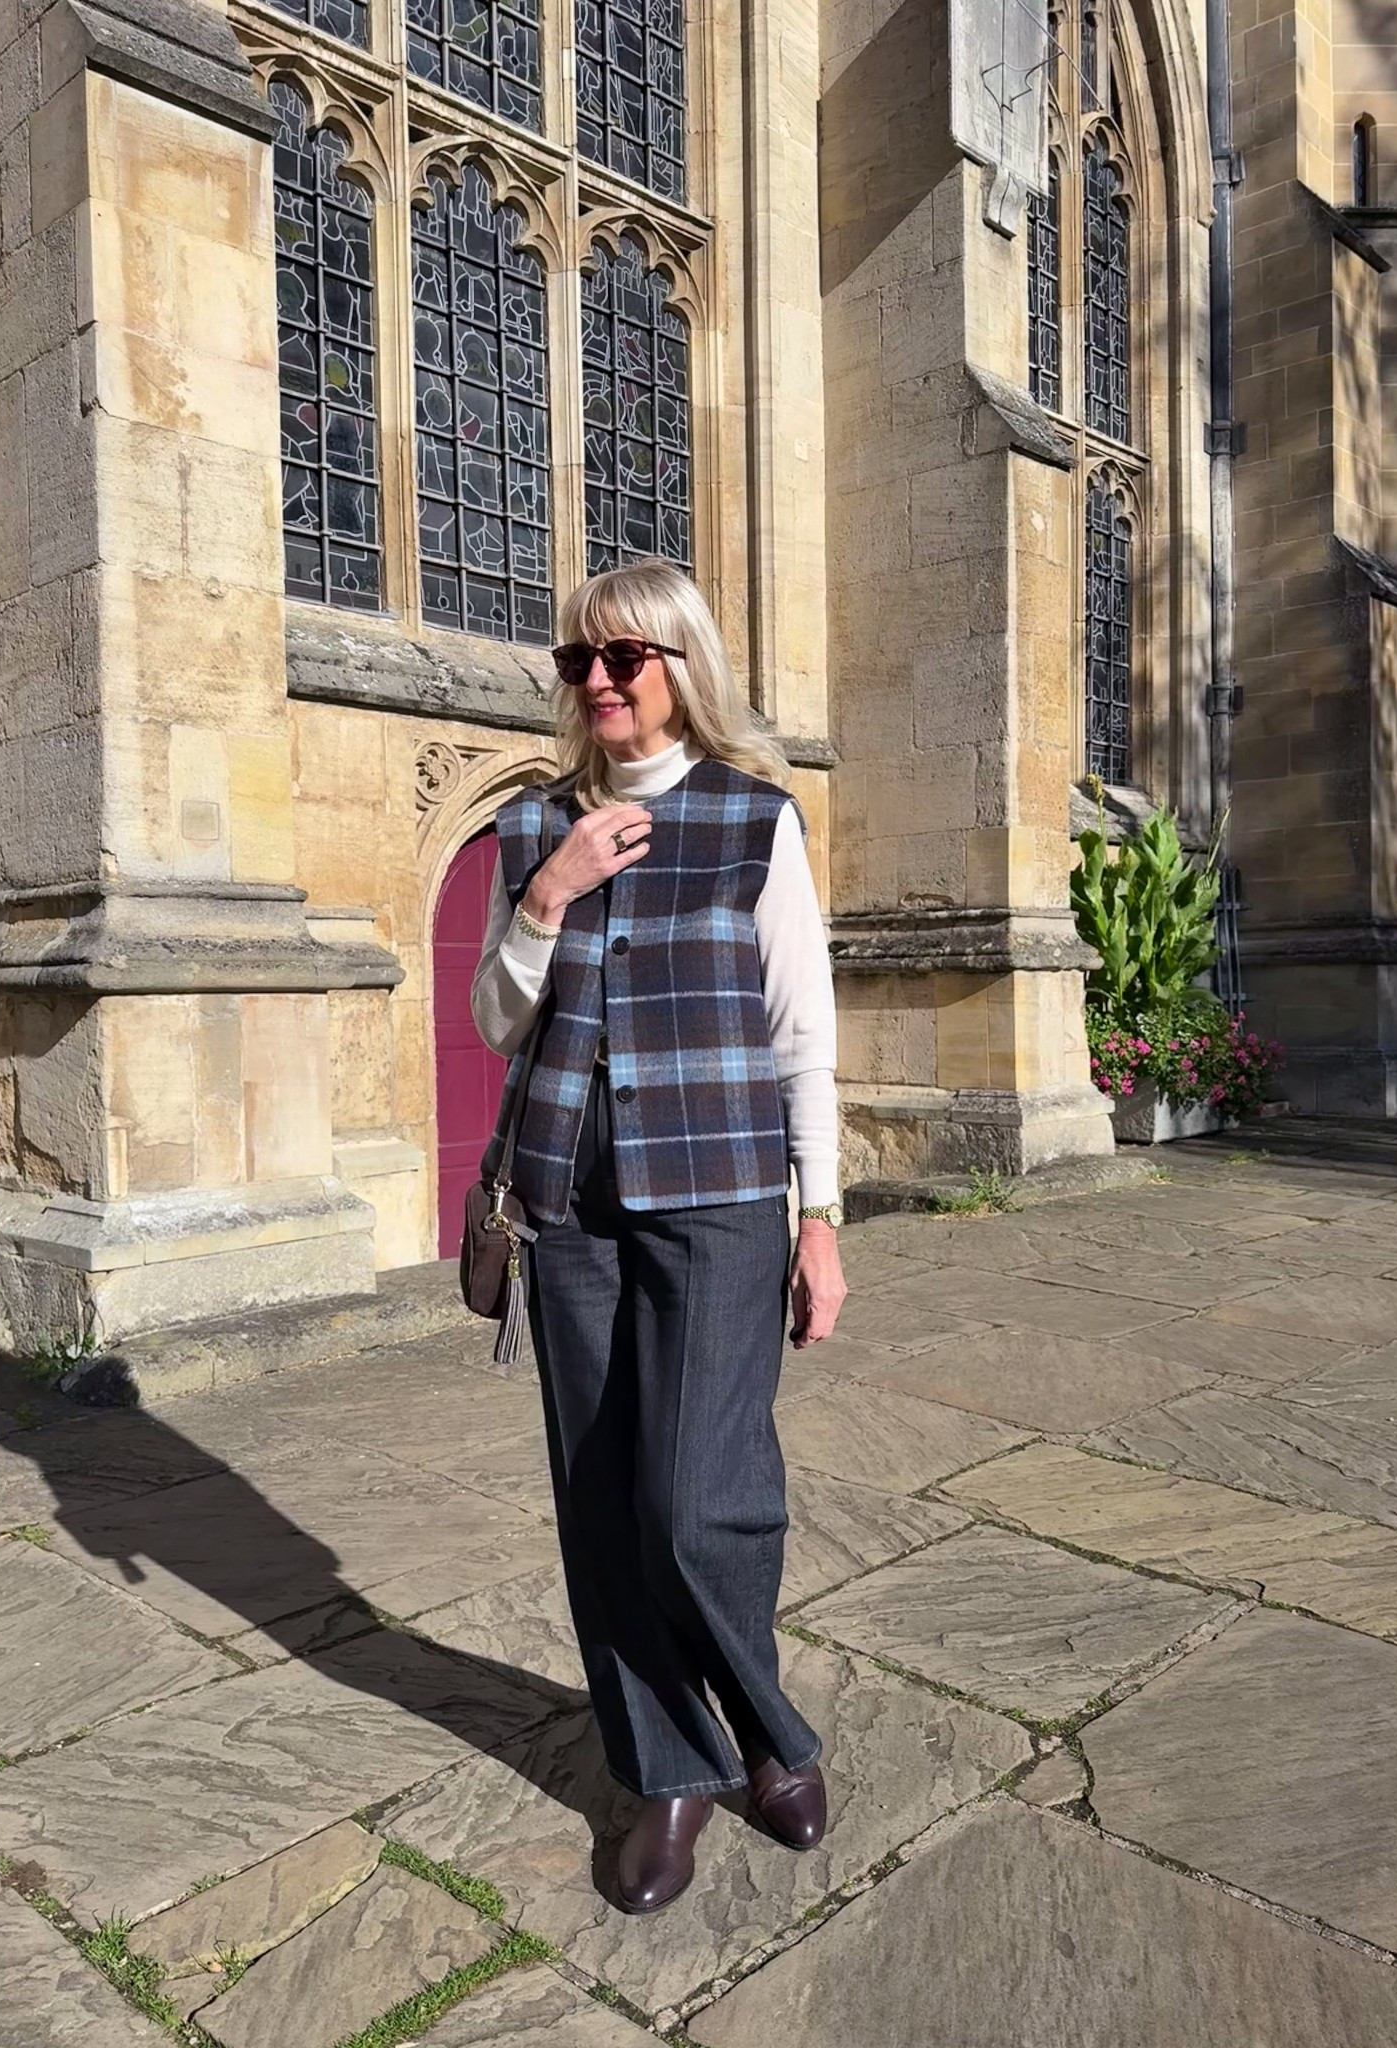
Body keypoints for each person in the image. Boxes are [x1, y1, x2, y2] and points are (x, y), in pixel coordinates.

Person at [471, 555, 847, 1915]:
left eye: (626, 657)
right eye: (580, 660)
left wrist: (821, 1220)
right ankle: (671, 1771)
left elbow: (802, 1034)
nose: (601, 683)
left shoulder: (756, 820)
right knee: (604, 1500)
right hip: (570, 1204)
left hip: (724, 1199)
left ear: (684, 667)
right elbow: (494, 1024)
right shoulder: (534, 832)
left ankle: (769, 1731)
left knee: (701, 1499)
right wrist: (548, 896)